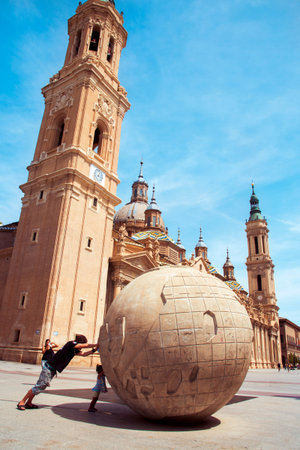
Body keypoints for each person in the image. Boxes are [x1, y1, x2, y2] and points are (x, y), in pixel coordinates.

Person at [17, 334, 97, 410]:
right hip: (48, 368)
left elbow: (84, 354)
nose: (81, 348)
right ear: (80, 342)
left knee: (41, 386)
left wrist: (94, 349)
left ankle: (29, 403)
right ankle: (22, 402)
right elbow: (82, 346)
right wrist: (96, 344)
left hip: (51, 369)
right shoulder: (71, 344)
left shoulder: (74, 349)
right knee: (39, 386)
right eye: (82, 345)